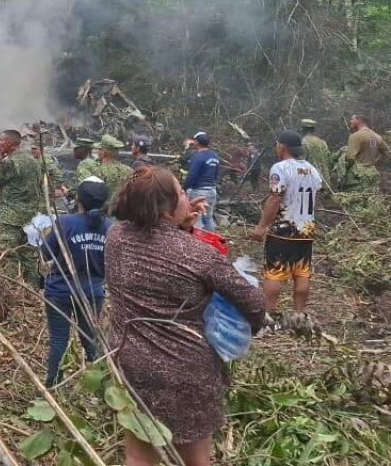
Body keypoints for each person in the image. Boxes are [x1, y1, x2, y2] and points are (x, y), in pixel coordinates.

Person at [106, 167, 266, 466]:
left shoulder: (116, 236)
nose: (187, 197)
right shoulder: (198, 254)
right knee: (194, 460)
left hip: (129, 361)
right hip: (186, 371)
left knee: (139, 456)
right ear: (166, 208)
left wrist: (182, 226)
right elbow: (254, 302)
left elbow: (158, 250)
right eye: (181, 193)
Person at [41, 178, 112, 386]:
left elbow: (46, 252)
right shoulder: (110, 227)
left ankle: (52, 386)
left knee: (58, 340)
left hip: (59, 290)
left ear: (78, 199)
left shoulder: (65, 222)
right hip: (92, 292)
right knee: (90, 339)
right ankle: (102, 387)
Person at [251, 131, 322, 321]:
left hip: (283, 230)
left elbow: (275, 198)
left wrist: (261, 226)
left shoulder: (280, 168)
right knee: (302, 272)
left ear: (282, 147)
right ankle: (298, 315)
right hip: (306, 229)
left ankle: (268, 315)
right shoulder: (312, 170)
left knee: (274, 272)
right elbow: (314, 199)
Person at [0, 129, 45, 287]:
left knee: (8, 255)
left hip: (10, 218)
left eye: (1, 140)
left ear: (10, 143)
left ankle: (10, 289)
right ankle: (33, 290)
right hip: (30, 218)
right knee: (29, 256)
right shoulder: (33, 162)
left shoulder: (9, 163)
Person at [183, 131, 220, 231]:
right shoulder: (214, 156)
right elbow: (216, 174)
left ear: (197, 142)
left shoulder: (198, 156)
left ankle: (196, 240)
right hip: (212, 190)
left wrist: (184, 189)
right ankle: (211, 239)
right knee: (208, 218)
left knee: (196, 219)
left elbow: (192, 175)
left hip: (199, 191)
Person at [342, 115, 389, 192]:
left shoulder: (356, 136)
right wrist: (376, 162)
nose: (350, 121)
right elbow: (387, 153)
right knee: (371, 196)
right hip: (372, 173)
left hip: (358, 175)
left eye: (352, 119)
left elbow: (350, 157)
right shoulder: (377, 137)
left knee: (355, 197)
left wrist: (345, 170)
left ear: (359, 120)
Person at [90, 135, 132, 203]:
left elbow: (91, 192)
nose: (98, 151)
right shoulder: (129, 170)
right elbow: (135, 186)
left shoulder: (98, 170)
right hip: (121, 207)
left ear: (104, 152)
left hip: (102, 208)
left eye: (100, 149)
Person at [299, 119, 332, 189]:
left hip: (311, 182)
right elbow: (329, 161)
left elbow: (301, 162)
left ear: (304, 129)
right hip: (325, 182)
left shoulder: (304, 143)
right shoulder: (322, 142)